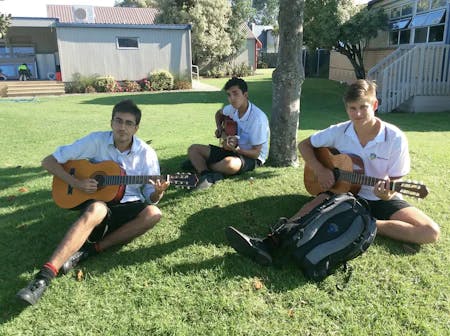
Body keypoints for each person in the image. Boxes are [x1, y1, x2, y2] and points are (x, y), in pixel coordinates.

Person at [226, 79, 440, 266]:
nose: (357, 114)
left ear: (375, 104)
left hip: (380, 198)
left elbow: (395, 181)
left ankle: (368, 224)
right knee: (312, 208)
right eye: (352, 108)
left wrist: (387, 192)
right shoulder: (340, 131)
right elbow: (304, 145)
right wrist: (320, 169)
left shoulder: (395, 138)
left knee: (430, 231)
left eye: (363, 107)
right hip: (345, 193)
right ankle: (267, 243)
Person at [16, 99, 170, 305]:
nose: (122, 127)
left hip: (129, 209)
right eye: (118, 121)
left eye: (128, 123)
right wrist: (76, 183)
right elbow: (49, 161)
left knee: (154, 213)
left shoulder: (146, 154)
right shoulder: (95, 141)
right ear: (111, 122)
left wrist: (158, 193)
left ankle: (90, 250)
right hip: (99, 207)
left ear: (136, 127)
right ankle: (43, 278)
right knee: (97, 208)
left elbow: (151, 196)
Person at [185, 77, 270, 190]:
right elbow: (218, 114)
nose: (232, 98)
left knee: (229, 164)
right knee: (193, 149)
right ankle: (206, 174)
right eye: (229, 95)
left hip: (251, 157)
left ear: (245, 95)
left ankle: (201, 166)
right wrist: (220, 129)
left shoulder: (258, 119)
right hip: (231, 147)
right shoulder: (232, 109)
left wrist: (236, 149)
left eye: (235, 94)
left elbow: (255, 153)